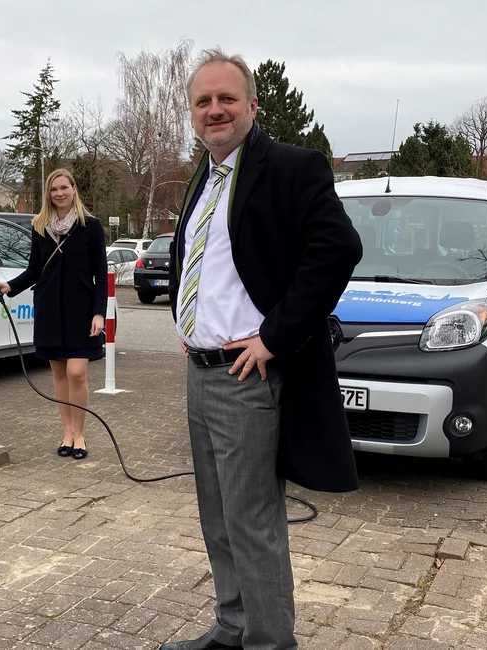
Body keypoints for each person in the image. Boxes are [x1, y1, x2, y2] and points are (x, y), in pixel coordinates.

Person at [162, 48, 363, 650]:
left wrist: (275, 335)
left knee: (251, 523)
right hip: (203, 371)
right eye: (203, 101)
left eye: (227, 99)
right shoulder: (203, 175)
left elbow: (337, 252)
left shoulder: (294, 168)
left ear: (253, 104)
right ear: (192, 113)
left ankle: (270, 642)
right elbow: (209, 262)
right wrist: (189, 320)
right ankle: (233, 627)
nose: (215, 110)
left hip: (248, 378)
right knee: (218, 518)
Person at [0, 168, 107, 460]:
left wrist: (99, 313)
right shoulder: (39, 225)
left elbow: (101, 274)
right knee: (59, 374)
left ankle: (81, 434)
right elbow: (34, 270)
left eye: (64, 187)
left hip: (81, 310)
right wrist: (9, 287)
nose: (59, 194)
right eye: (54, 189)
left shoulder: (90, 226)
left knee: (77, 373)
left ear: (74, 190)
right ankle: (67, 433)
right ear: (48, 194)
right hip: (50, 309)